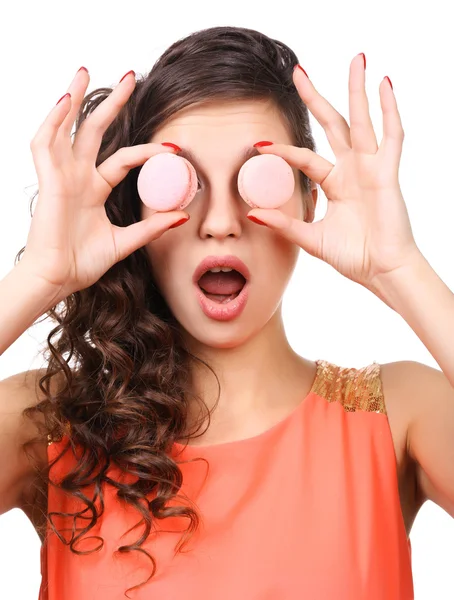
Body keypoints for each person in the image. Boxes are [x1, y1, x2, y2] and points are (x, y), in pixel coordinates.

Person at [0, 24, 453, 600]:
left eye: (258, 180)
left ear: (311, 199)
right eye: (178, 182)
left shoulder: (400, 416)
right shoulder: (47, 426)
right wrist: (37, 278)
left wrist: (401, 270)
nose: (219, 220)